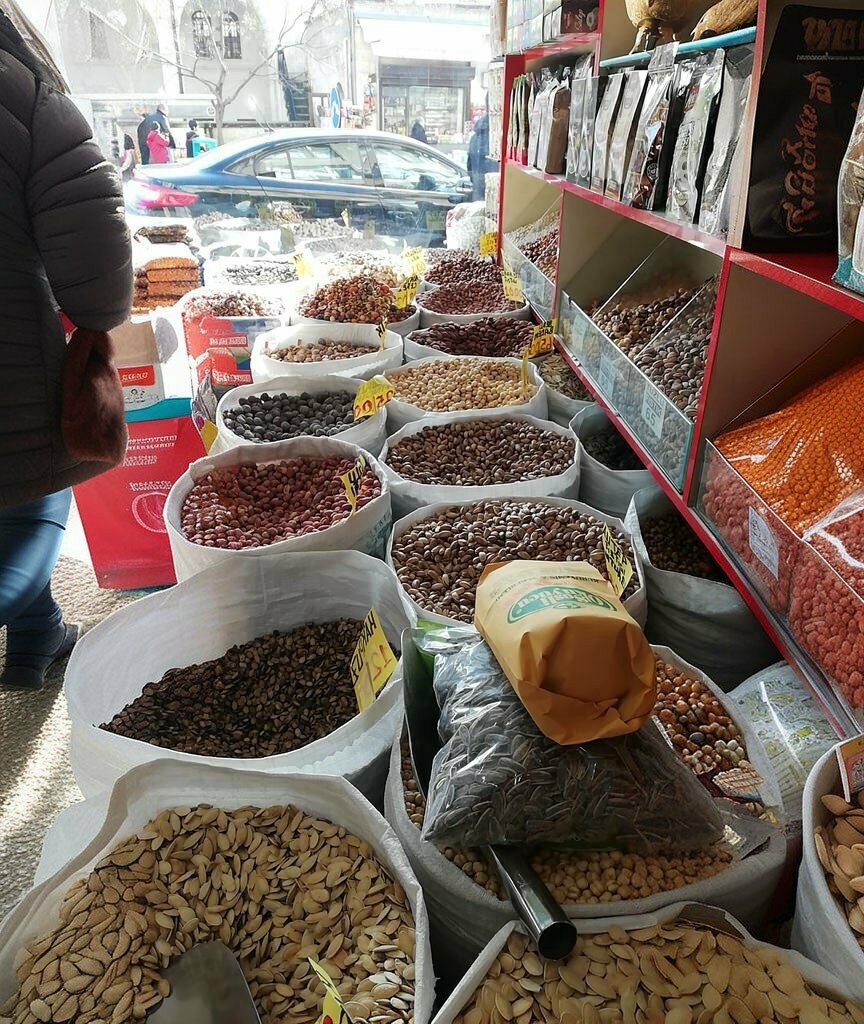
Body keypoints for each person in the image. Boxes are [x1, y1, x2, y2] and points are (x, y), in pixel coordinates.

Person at [0, 11, 132, 690]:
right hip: (11, 373)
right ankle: (30, 626)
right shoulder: (21, 92)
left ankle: (37, 634)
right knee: (25, 511)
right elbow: (98, 277)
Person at [467, 112, 492, 201]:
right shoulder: (491, 139)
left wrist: (473, 178)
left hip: (477, 180)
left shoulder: (474, 138)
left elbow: (469, 163)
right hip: (490, 180)